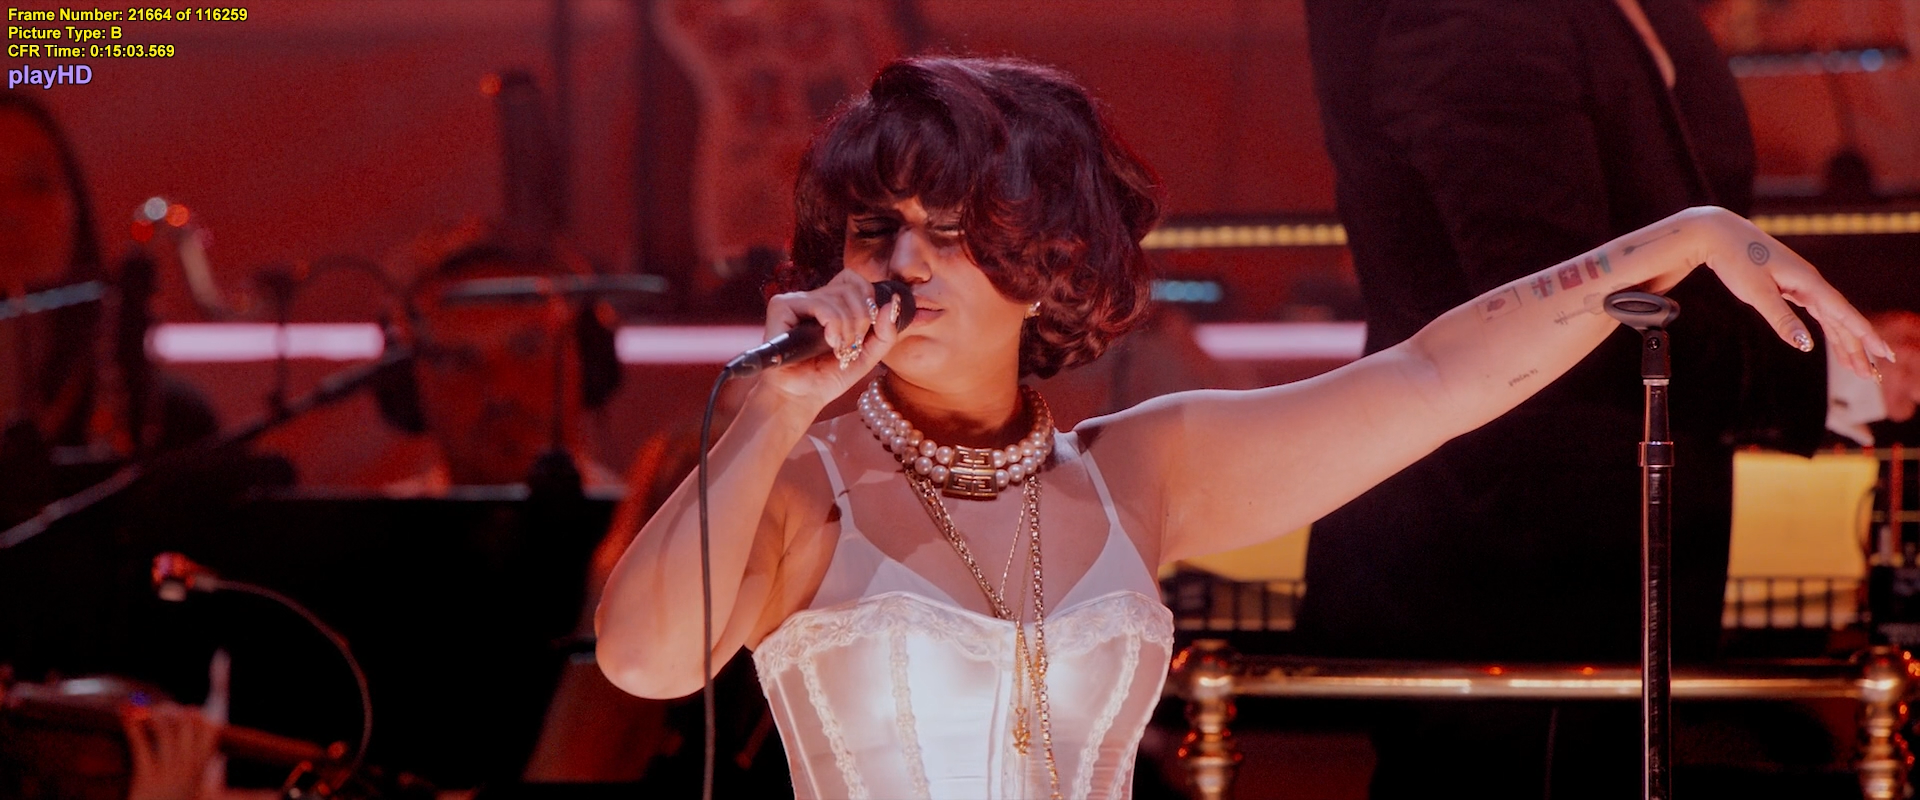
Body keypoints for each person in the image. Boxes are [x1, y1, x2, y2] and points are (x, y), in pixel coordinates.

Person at [593, 56, 1892, 800]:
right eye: (878, 229)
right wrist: (776, 405)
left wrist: (1678, 240)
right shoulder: (801, 483)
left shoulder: (1138, 472)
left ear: (1047, 260)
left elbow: (1439, 377)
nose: (906, 265)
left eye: (954, 229)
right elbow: (646, 662)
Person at [1298, 1, 1914, 794]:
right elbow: (1553, 314)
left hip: (1591, 563)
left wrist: (1841, 331)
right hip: (1517, 570)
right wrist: (1834, 363)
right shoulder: (1481, 17)